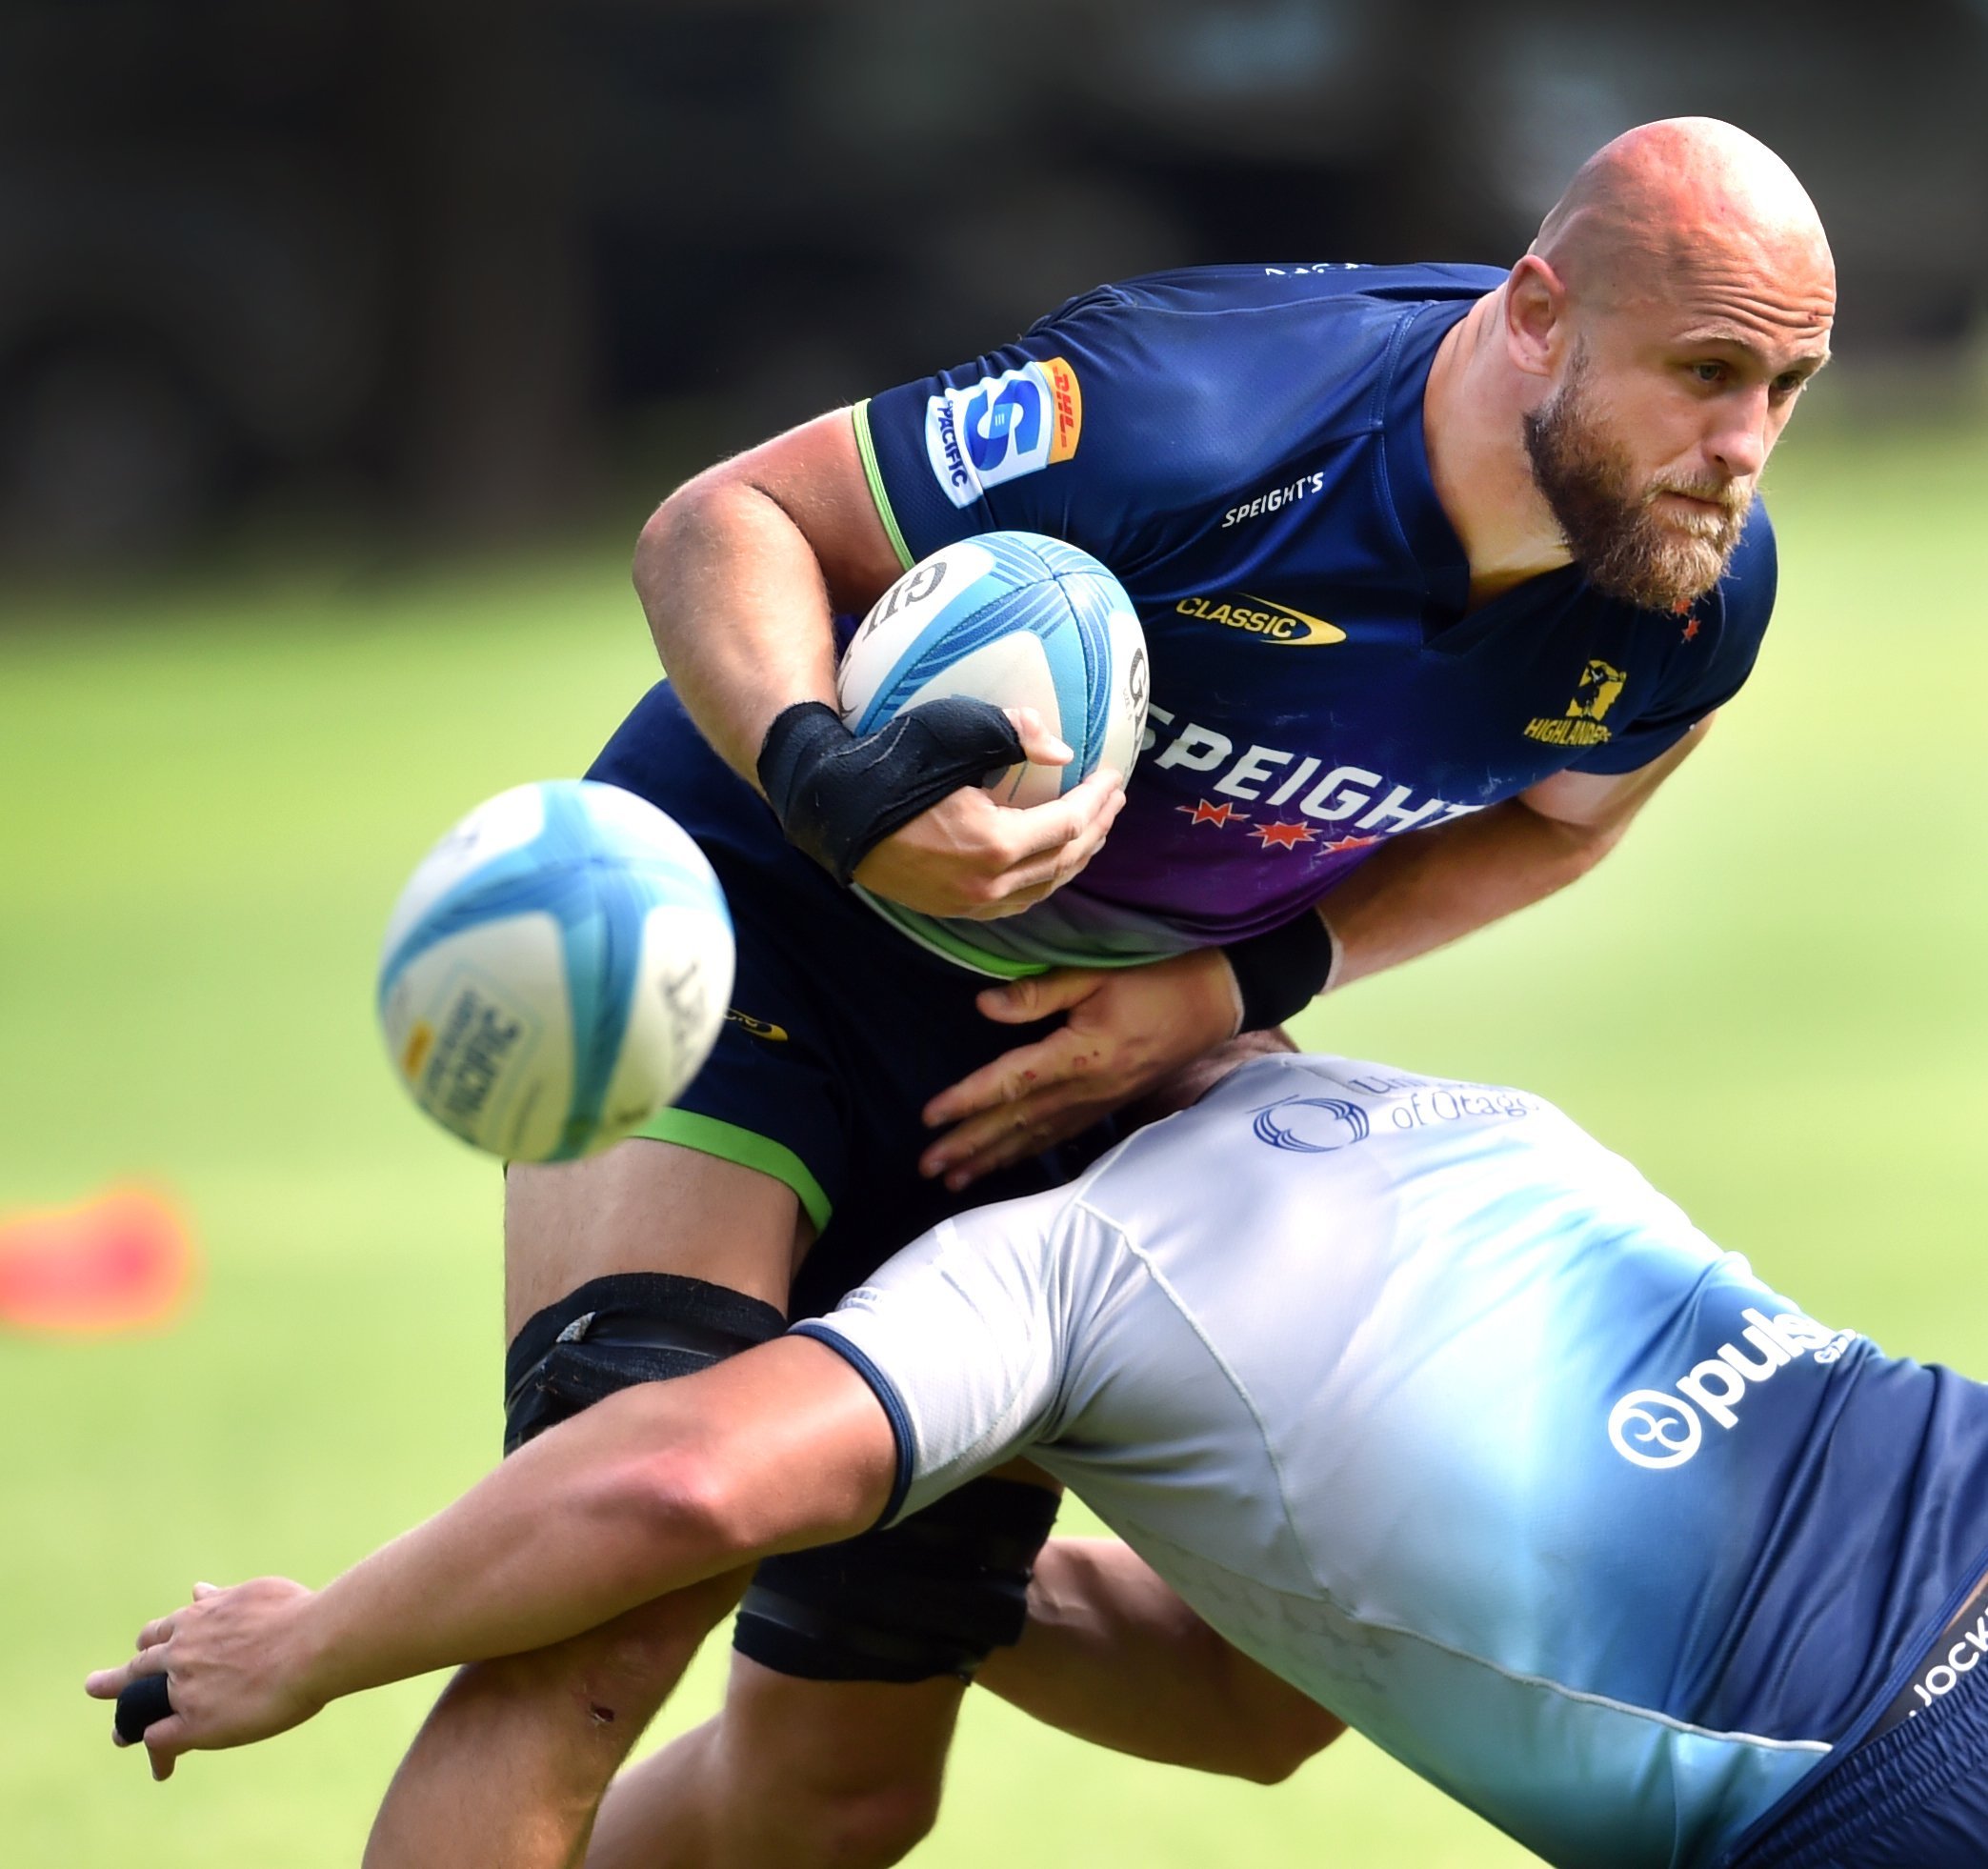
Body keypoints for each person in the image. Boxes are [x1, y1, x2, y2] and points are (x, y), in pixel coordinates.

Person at [369, 114, 1836, 1866]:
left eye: (1787, 387)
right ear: (1536, 312)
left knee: (865, 1786)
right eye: (1704, 372)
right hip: (766, 925)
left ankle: (847, 1490)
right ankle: (756, 1481)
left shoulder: (1683, 603)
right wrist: (834, 786)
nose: (1744, 446)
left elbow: (1548, 832)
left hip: (1081, 1063)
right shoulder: (1199, 408)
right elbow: (723, 517)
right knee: (607, 1616)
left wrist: (1234, 984)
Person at [90, 1047, 1988, 1868]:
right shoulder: (1454, 1116)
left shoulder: (1053, 1264)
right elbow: (1257, 1704)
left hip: (1878, 1773)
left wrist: (319, 1638)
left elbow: (677, 1482)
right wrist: (903, 1545)